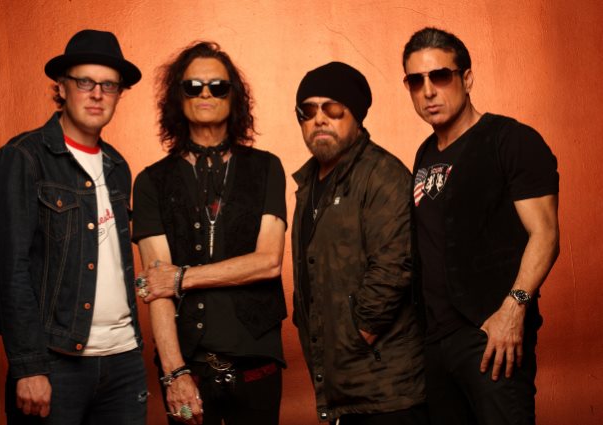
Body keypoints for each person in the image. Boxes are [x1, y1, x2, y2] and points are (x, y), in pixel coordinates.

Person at [0, 29, 146, 424]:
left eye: (109, 85)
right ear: (61, 87)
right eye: (85, 82)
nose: (97, 94)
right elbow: (11, 271)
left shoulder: (118, 166)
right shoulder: (23, 158)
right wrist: (28, 366)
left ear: (119, 94)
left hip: (124, 360)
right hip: (55, 362)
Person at [402, 27, 560, 425]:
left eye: (440, 76)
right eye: (416, 81)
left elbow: (545, 234)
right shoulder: (424, 154)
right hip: (435, 343)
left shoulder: (510, 140)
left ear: (467, 78)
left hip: (491, 336)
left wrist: (514, 309)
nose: (428, 91)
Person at [132, 41, 287, 425]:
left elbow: (268, 262)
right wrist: (174, 374)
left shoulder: (267, 168)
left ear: (234, 97)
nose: (205, 94)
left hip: (257, 365)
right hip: (189, 369)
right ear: (178, 96)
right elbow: (156, 287)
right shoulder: (151, 181)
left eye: (218, 86)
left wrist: (181, 277)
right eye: (193, 86)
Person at [291, 61, 428, 424]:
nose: (319, 119)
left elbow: (394, 268)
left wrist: (355, 337)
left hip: (387, 392)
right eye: (308, 111)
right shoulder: (308, 185)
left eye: (333, 109)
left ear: (356, 115)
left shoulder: (383, 175)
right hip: (341, 388)